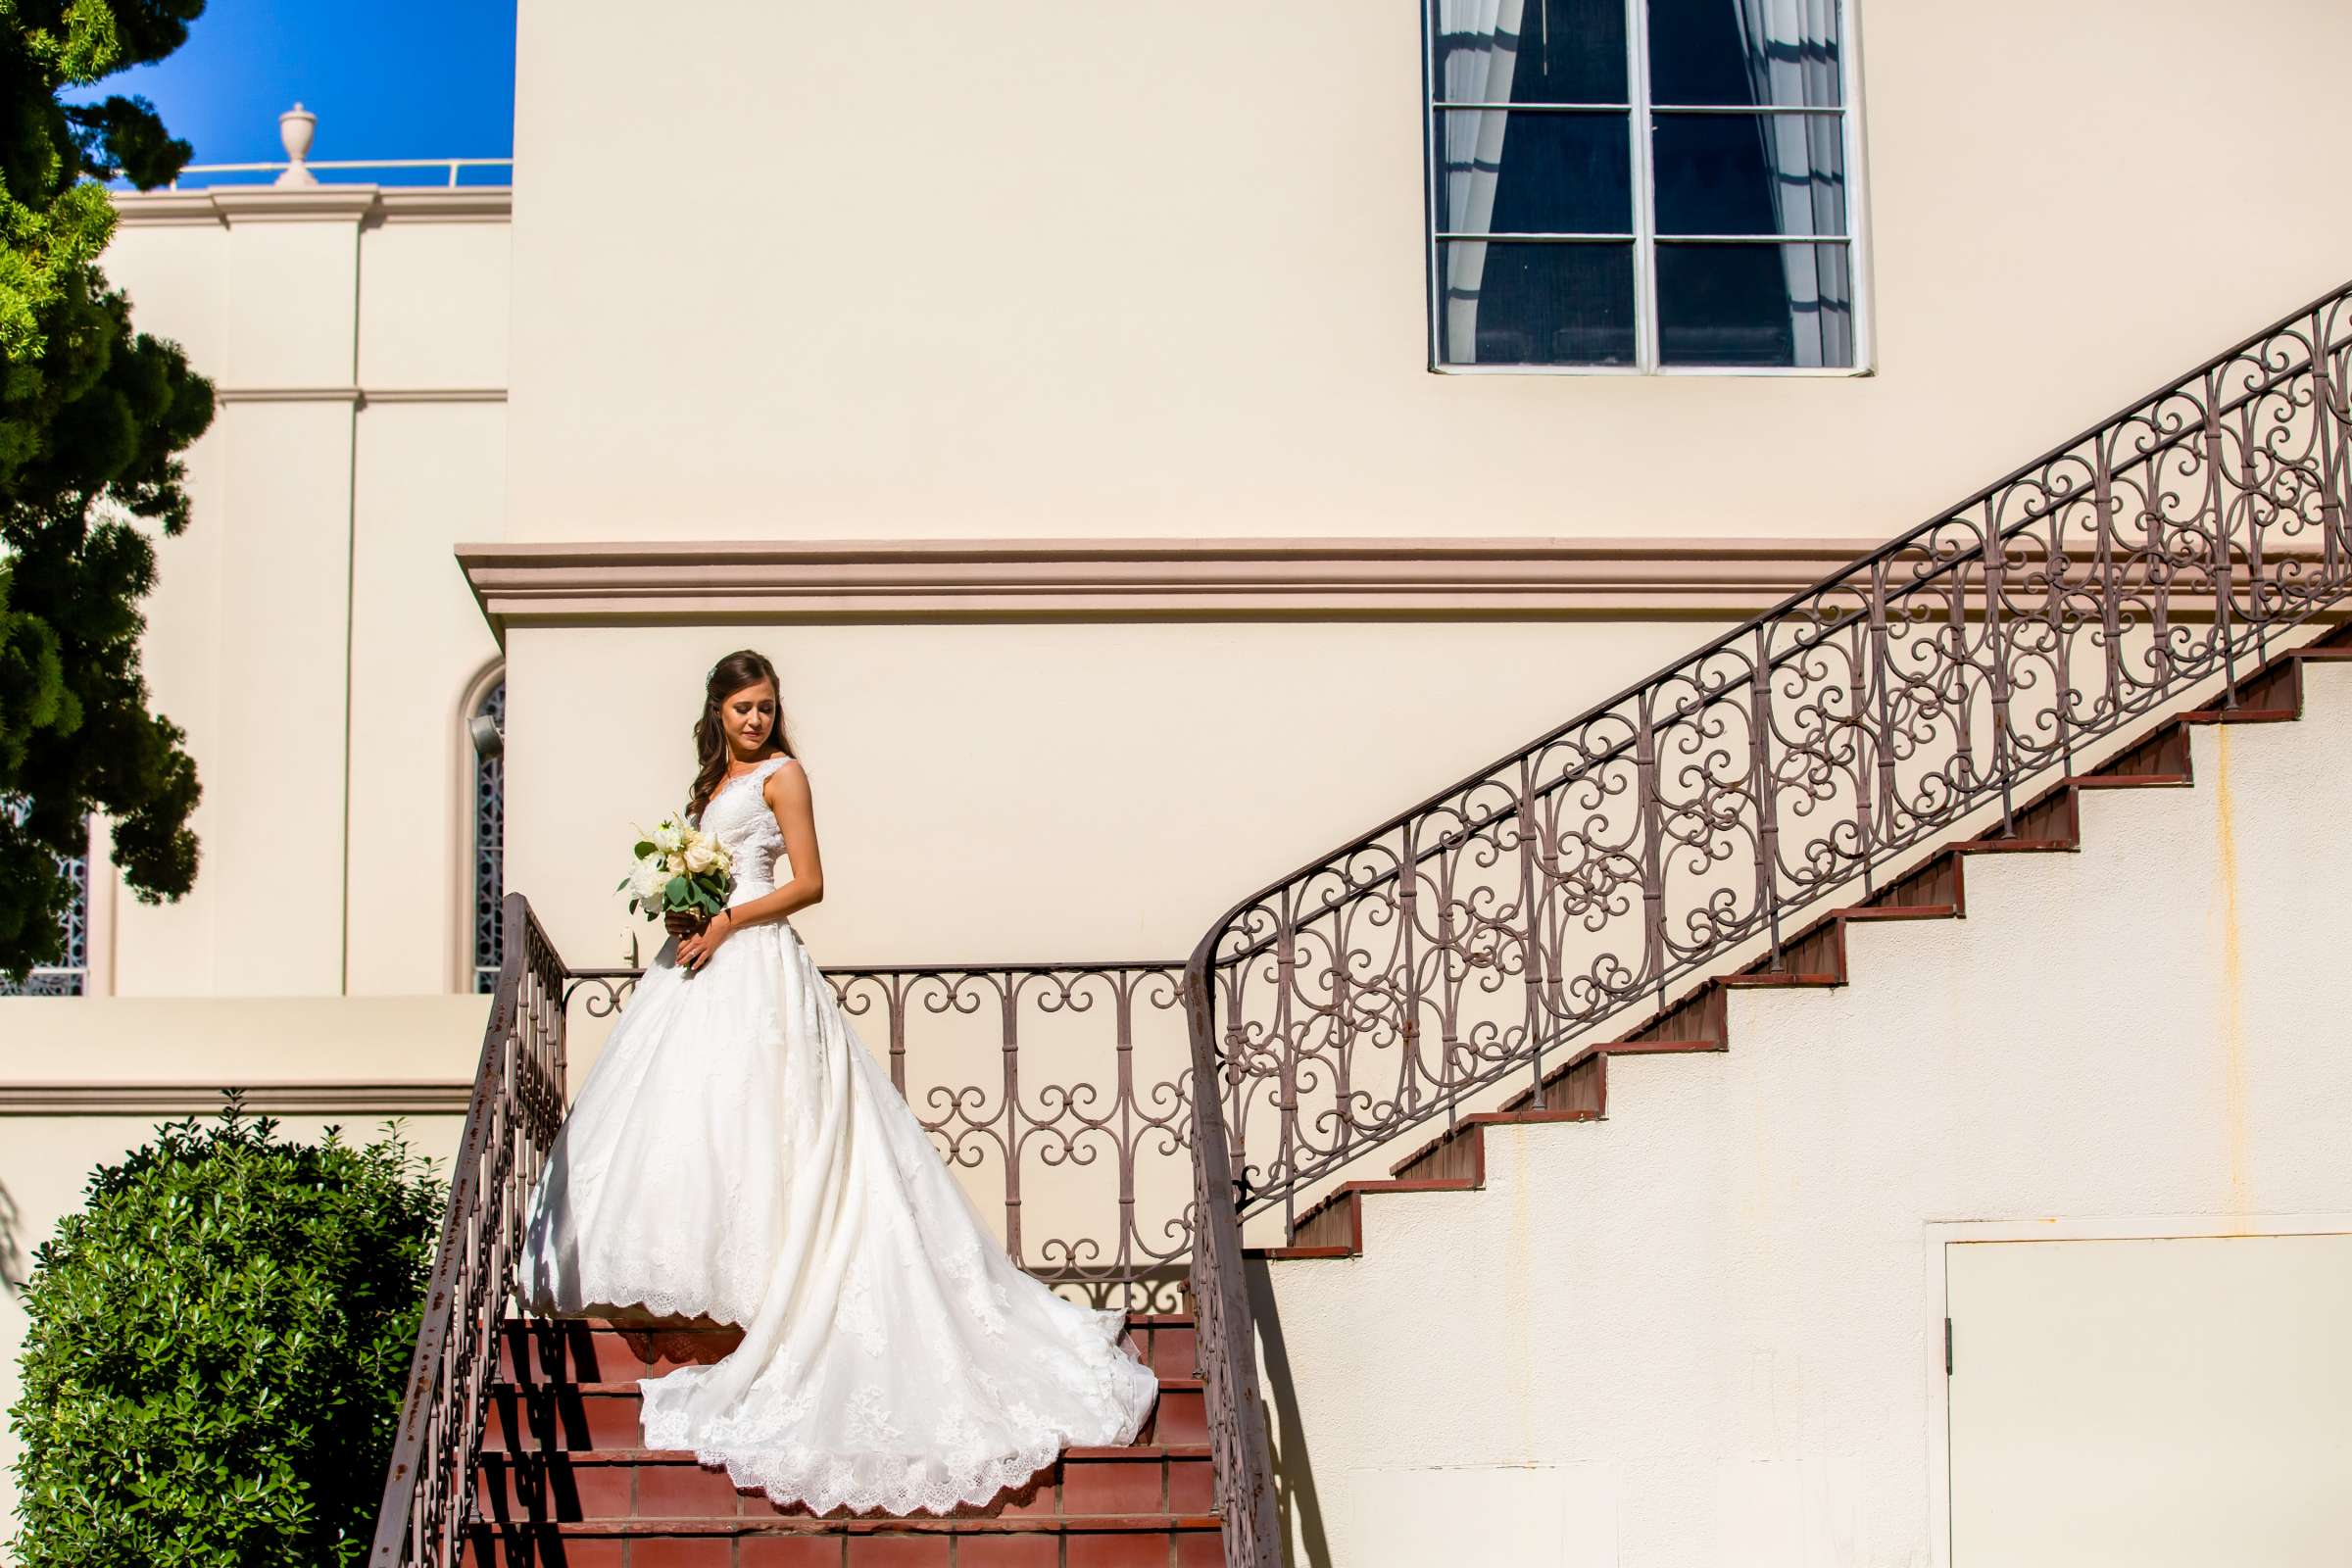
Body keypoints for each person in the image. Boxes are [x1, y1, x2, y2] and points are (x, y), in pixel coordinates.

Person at [517, 649, 1158, 1516]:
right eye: (742, 707)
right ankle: (708, 1292)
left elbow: (810, 883)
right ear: (715, 711)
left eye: (766, 707)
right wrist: (683, 911)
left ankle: (783, 1288)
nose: (755, 720)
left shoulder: (786, 775)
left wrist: (730, 918)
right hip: (697, 963)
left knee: (771, 1122)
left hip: (756, 963)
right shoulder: (707, 786)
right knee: (694, 1124)